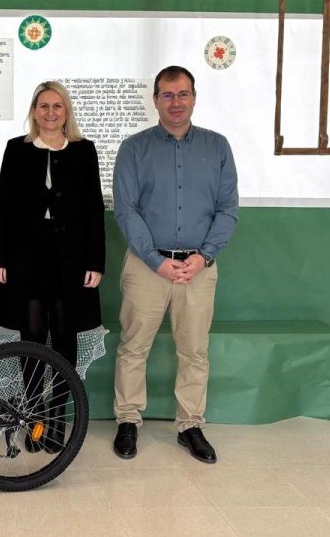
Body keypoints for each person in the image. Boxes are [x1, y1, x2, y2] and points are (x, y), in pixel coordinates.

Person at [111, 65, 238, 464]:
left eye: (183, 94)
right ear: (155, 100)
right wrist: (155, 260)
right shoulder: (134, 149)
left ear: (194, 98)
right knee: (134, 347)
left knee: (195, 351)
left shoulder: (218, 147)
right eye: (167, 95)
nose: (176, 102)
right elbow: (127, 210)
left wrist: (203, 257)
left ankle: (190, 425)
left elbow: (227, 209)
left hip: (199, 267)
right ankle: (128, 420)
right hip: (147, 267)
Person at [0, 81, 105, 453]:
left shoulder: (84, 150)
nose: (51, 112)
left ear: (66, 111)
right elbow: (5, 207)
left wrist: (95, 262)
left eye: (57, 106)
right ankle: (35, 419)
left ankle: (57, 418)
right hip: (27, 256)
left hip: (71, 257)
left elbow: (93, 210)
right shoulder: (17, 149)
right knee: (33, 337)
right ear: (34, 111)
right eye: (44, 106)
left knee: (65, 337)